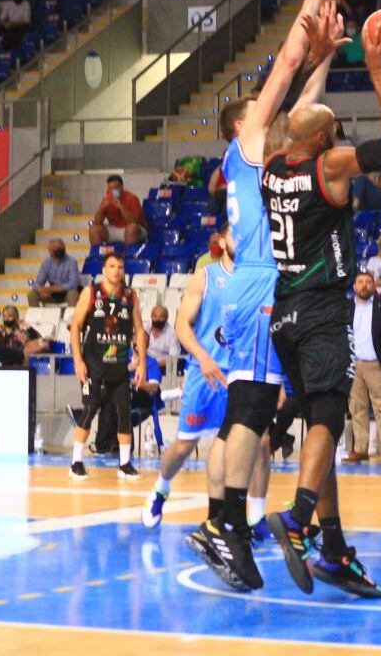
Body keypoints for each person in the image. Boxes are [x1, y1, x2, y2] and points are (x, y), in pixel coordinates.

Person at [191, 0, 345, 594]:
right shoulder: (249, 142)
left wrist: (328, 55)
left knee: (247, 417)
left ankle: (229, 524)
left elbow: (303, 105)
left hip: (264, 287)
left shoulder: (260, 156)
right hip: (256, 286)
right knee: (248, 410)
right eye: (259, 108)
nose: (272, 109)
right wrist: (311, 5)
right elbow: (283, 68)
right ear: (241, 125)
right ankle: (222, 525)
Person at [261, 0, 381, 599]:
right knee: (327, 418)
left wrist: (319, 57)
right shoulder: (329, 168)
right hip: (322, 308)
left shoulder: (273, 164)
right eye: (336, 135)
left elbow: (301, 117)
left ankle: (335, 548)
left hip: (286, 315)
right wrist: (375, 70)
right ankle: (296, 521)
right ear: (328, 145)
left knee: (321, 425)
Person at [142, 224, 274, 539]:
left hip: (243, 374)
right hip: (207, 373)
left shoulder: (260, 279)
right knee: (186, 445)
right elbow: (182, 326)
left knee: (262, 443)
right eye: (235, 235)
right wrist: (203, 358)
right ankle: (161, 488)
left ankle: (255, 518)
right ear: (221, 240)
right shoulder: (206, 276)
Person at [68, 253, 147, 481]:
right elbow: (76, 327)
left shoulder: (130, 296)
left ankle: (124, 464)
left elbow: (140, 331)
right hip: (93, 364)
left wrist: (142, 362)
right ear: (104, 270)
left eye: (121, 267)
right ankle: (76, 462)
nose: (117, 271)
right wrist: (77, 360)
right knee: (91, 408)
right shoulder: (91, 293)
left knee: (124, 412)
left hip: (119, 366)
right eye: (112, 266)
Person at [346, 272, 381, 463]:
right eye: (360, 282)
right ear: (354, 287)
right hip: (354, 365)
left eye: (368, 282)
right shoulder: (346, 307)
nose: (364, 286)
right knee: (357, 408)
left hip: (378, 363)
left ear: (374, 285)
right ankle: (360, 449)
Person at [90, 175, 148, 247]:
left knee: (131, 228)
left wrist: (120, 207)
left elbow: (134, 221)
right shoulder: (106, 200)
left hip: (136, 229)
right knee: (94, 230)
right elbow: (97, 222)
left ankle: (128, 256)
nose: (111, 191)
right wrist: (101, 208)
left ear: (121, 187)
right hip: (114, 229)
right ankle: (98, 257)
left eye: (114, 188)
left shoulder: (132, 198)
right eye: (109, 188)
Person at [28, 238, 80, 306]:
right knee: (32, 295)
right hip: (51, 295)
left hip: (66, 293)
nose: (59, 252)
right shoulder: (46, 263)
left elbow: (73, 283)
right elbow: (37, 283)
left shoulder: (72, 262)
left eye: (61, 249)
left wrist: (53, 289)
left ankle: (72, 316)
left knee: (73, 293)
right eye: (56, 250)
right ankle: (35, 316)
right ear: (49, 251)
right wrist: (41, 290)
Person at [146, 305, 180, 370]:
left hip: (162, 368)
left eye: (162, 317)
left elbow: (173, 359)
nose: (158, 320)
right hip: (143, 364)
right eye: (155, 316)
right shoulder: (145, 328)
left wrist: (152, 364)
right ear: (151, 316)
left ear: (167, 318)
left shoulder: (172, 333)